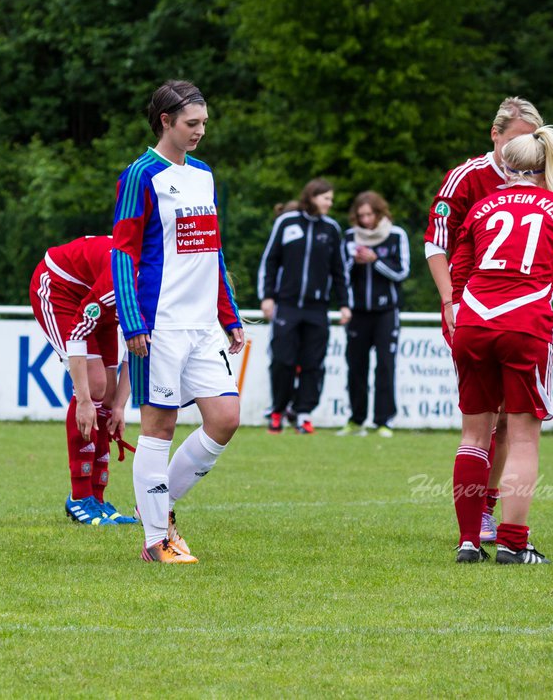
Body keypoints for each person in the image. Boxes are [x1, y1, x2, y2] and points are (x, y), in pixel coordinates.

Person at [112, 79, 245, 564]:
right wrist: (132, 320)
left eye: (204, 123)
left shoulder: (204, 174)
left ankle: (158, 505)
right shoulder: (140, 175)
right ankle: (155, 541)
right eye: (192, 123)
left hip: (203, 324)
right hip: (159, 324)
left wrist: (228, 313)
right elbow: (122, 252)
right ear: (165, 121)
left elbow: (213, 250)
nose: (200, 132)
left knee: (226, 419)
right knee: (159, 426)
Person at [449, 126, 553, 564]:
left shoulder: (482, 206)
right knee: (524, 437)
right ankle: (512, 541)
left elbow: (460, 269)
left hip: (473, 320)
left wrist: (461, 312)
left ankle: (470, 541)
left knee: (475, 433)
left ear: (505, 164)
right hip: (525, 322)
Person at [424, 96, 543, 543]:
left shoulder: (539, 178)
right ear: (495, 135)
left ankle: (488, 511)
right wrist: (451, 300)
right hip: (472, 309)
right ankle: (475, 520)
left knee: (513, 419)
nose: (523, 151)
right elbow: (435, 244)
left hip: (522, 312)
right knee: (485, 418)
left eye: (531, 141)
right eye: (516, 140)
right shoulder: (467, 178)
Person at [30, 235, 136, 525]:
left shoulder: (159, 290)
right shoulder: (124, 279)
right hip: (58, 289)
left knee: (111, 395)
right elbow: (77, 332)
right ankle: (79, 497)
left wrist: (120, 407)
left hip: (96, 299)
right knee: (96, 384)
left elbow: (138, 348)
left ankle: (97, 498)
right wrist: (85, 399)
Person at [257, 178, 351, 435]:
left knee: (313, 363)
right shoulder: (286, 223)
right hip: (287, 306)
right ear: (312, 197)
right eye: (326, 198)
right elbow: (270, 260)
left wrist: (344, 304)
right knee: (282, 361)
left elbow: (339, 270)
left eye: (331, 199)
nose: (329, 204)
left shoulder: (331, 229)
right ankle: (277, 410)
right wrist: (267, 296)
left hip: (317, 309)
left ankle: (303, 414)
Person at [338, 191, 409, 437]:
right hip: (358, 312)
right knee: (356, 366)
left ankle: (384, 421)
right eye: (361, 216)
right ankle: (356, 420)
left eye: (369, 215)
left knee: (385, 366)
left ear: (379, 213)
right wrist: (353, 262)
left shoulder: (396, 235)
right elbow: (341, 275)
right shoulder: (349, 237)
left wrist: (375, 260)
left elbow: (401, 273)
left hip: (386, 312)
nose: (365, 220)